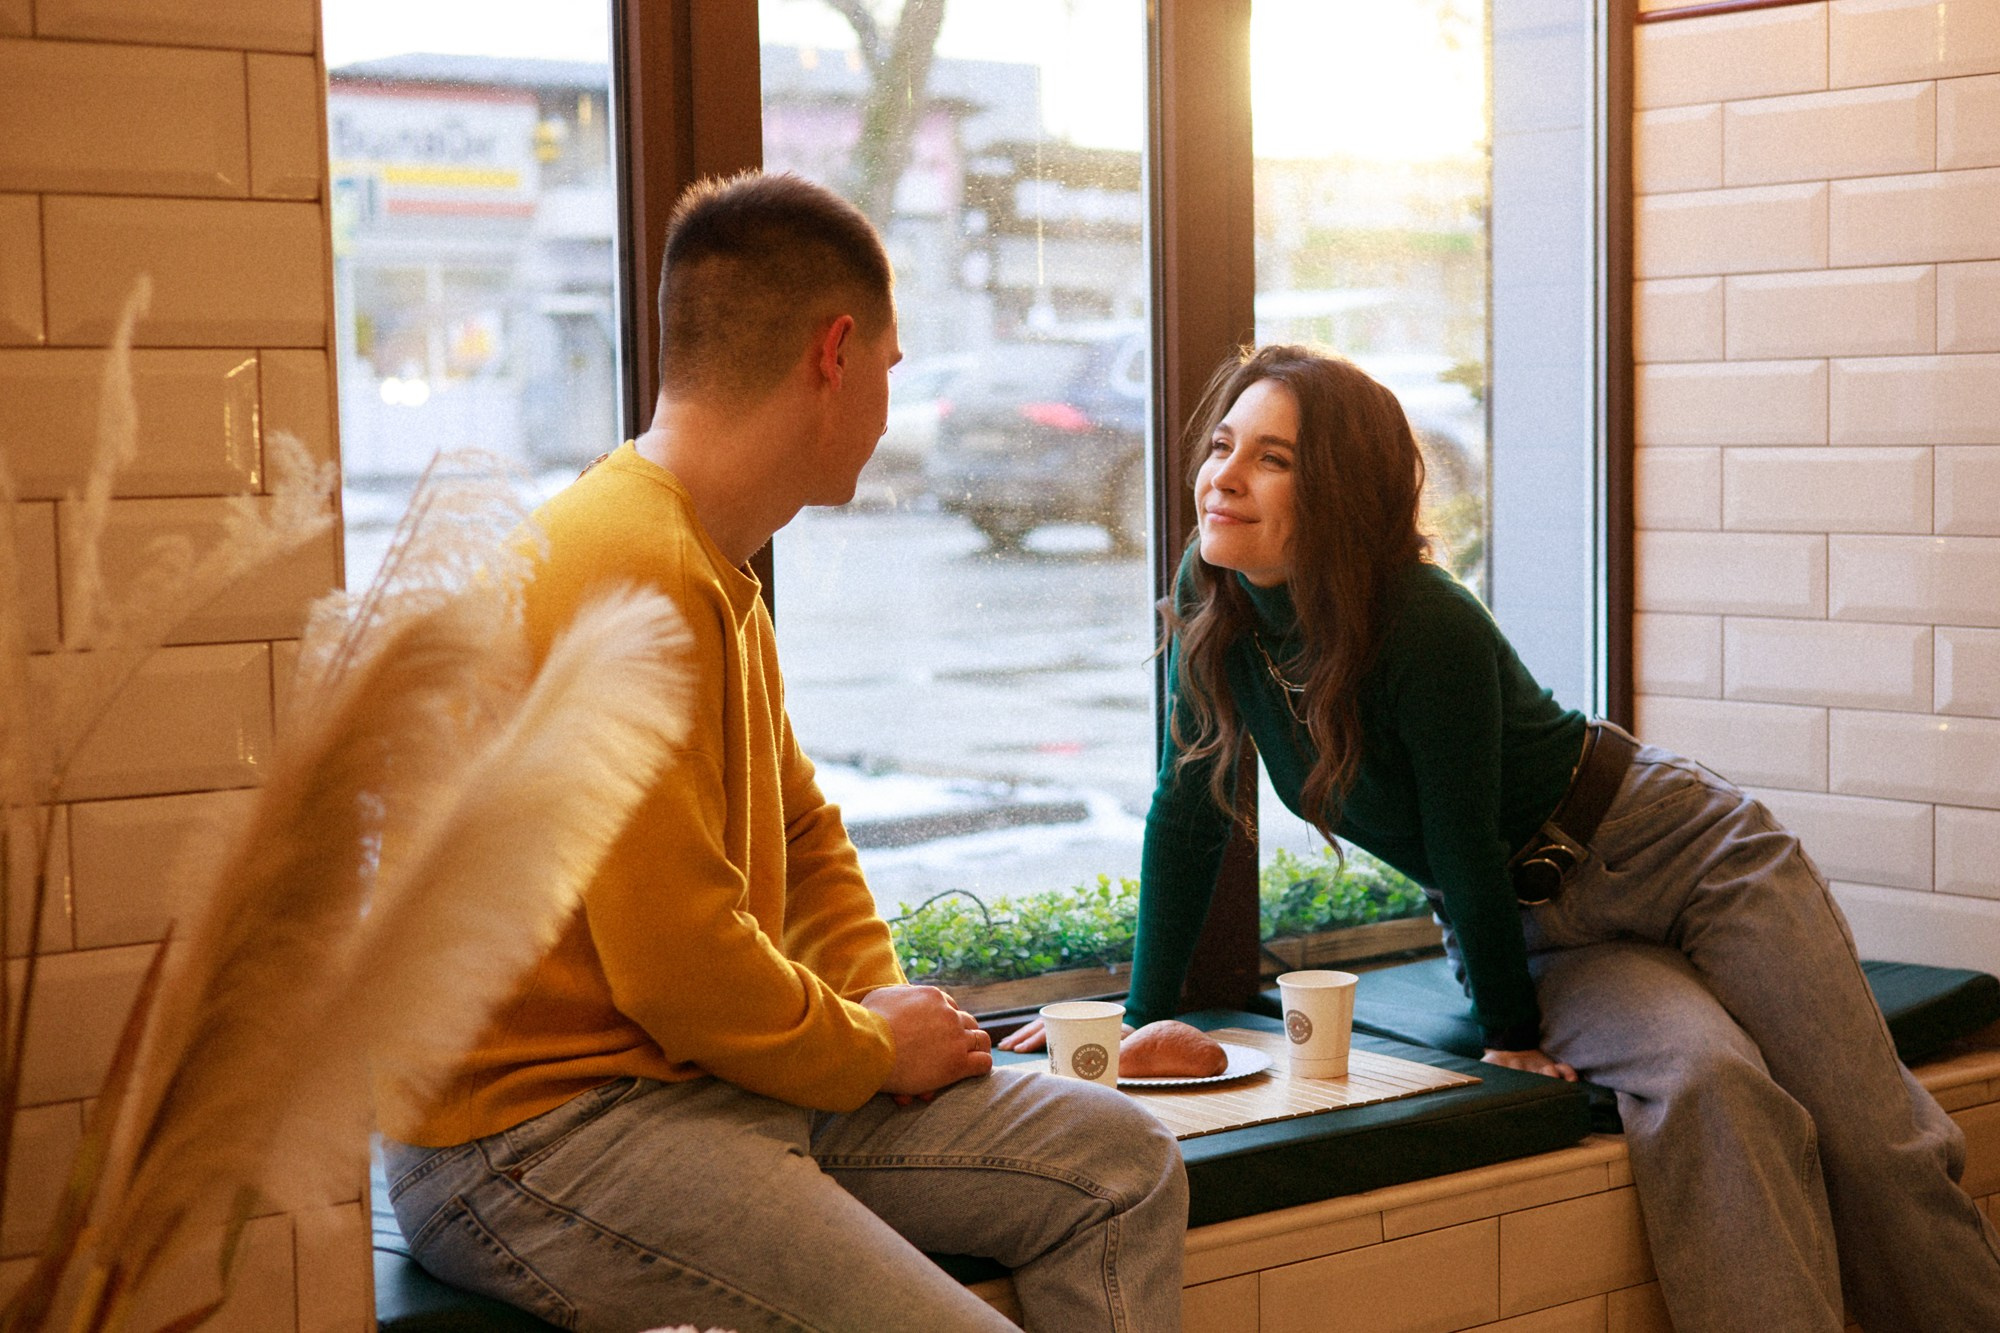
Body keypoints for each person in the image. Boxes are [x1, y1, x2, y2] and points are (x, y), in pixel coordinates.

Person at [1006, 344, 2000, 1330]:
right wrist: (1137, 1017)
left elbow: (1461, 837)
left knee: (1871, 1136)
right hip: (1544, 931)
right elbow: (1187, 813)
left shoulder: (1422, 616)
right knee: (1710, 1082)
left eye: (1272, 458)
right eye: (1223, 445)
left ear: (1341, 490)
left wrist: (1507, 1034)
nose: (1222, 475)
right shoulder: (1211, 594)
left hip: (1683, 852)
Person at [378, 171, 1187, 1333]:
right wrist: (869, 1049)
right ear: (834, 354)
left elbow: (801, 832)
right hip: (535, 1139)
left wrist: (884, 1007)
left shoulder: (709, 558)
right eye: (891, 371)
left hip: (696, 1084)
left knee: (1118, 1164)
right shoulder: (629, 564)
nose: (892, 409)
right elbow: (678, 970)